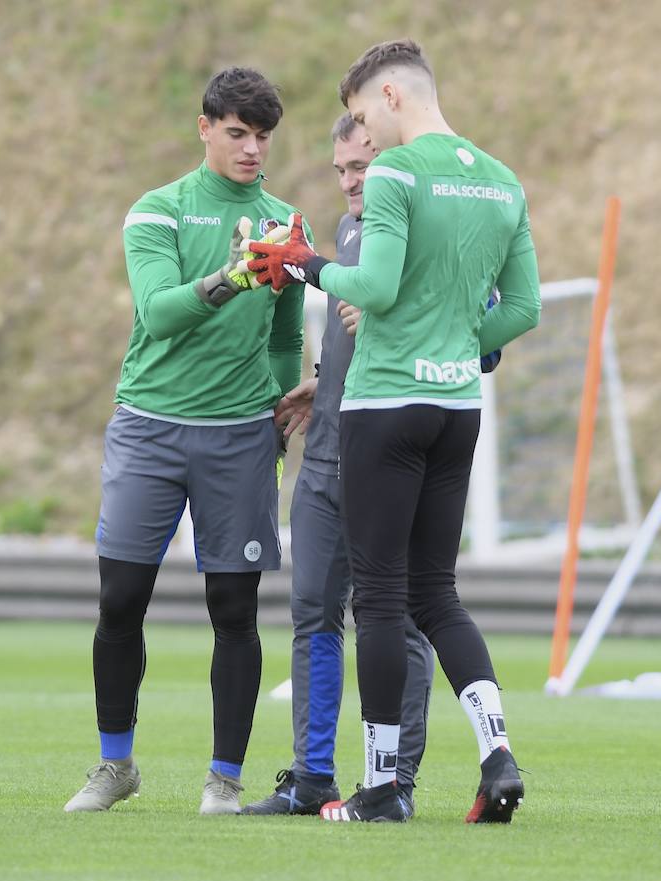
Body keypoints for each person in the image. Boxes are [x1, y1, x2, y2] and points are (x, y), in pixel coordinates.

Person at [248, 39, 541, 823]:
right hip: (457, 409)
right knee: (437, 594)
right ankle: (498, 753)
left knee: (377, 598)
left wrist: (307, 264)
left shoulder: (399, 174)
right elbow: (522, 310)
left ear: (390, 95)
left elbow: (372, 287)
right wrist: (460, 341)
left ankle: (380, 786)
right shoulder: (502, 180)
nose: (363, 138)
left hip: (385, 406)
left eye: (359, 116)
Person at [64, 66, 310, 816]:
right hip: (150, 425)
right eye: (237, 133)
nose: (251, 149)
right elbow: (159, 312)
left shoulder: (283, 222)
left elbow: (284, 336)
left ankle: (224, 781)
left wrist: (276, 405)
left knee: (234, 609)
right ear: (204, 128)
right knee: (121, 598)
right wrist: (233, 276)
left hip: (239, 435)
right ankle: (115, 765)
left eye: (262, 136)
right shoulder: (156, 212)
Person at [241, 113, 472, 818]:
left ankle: (394, 782)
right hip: (325, 458)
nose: (350, 182)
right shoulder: (346, 231)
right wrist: (322, 378)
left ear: (394, 162)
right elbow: (349, 333)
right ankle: (313, 776)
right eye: (341, 169)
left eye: (362, 168)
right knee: (312, 612)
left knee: (398, 620)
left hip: (390, 459)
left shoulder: (432, 233)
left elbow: (477, 343)